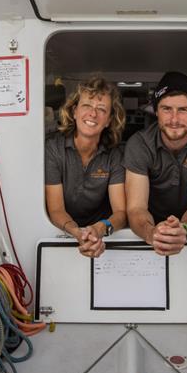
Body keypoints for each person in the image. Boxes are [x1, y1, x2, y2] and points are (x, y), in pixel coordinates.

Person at [124, 71, 187, 256]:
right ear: (156, 112)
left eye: (183, 110)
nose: (174, 120)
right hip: (149, 228)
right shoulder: (139, 144)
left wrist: (184, 230)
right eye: (166, 109)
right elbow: (136, 208)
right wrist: (152, 234)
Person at [45, 76, 127, 257]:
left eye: (101, 109)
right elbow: (56, 209)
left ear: (108, 120)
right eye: (87, 106)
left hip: (102, 236)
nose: (92, 114)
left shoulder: (115, 156)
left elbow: (121, 213)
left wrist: (99, 229)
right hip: (64, 231)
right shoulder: (53, 149)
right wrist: (78, 233)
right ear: (74, 111)